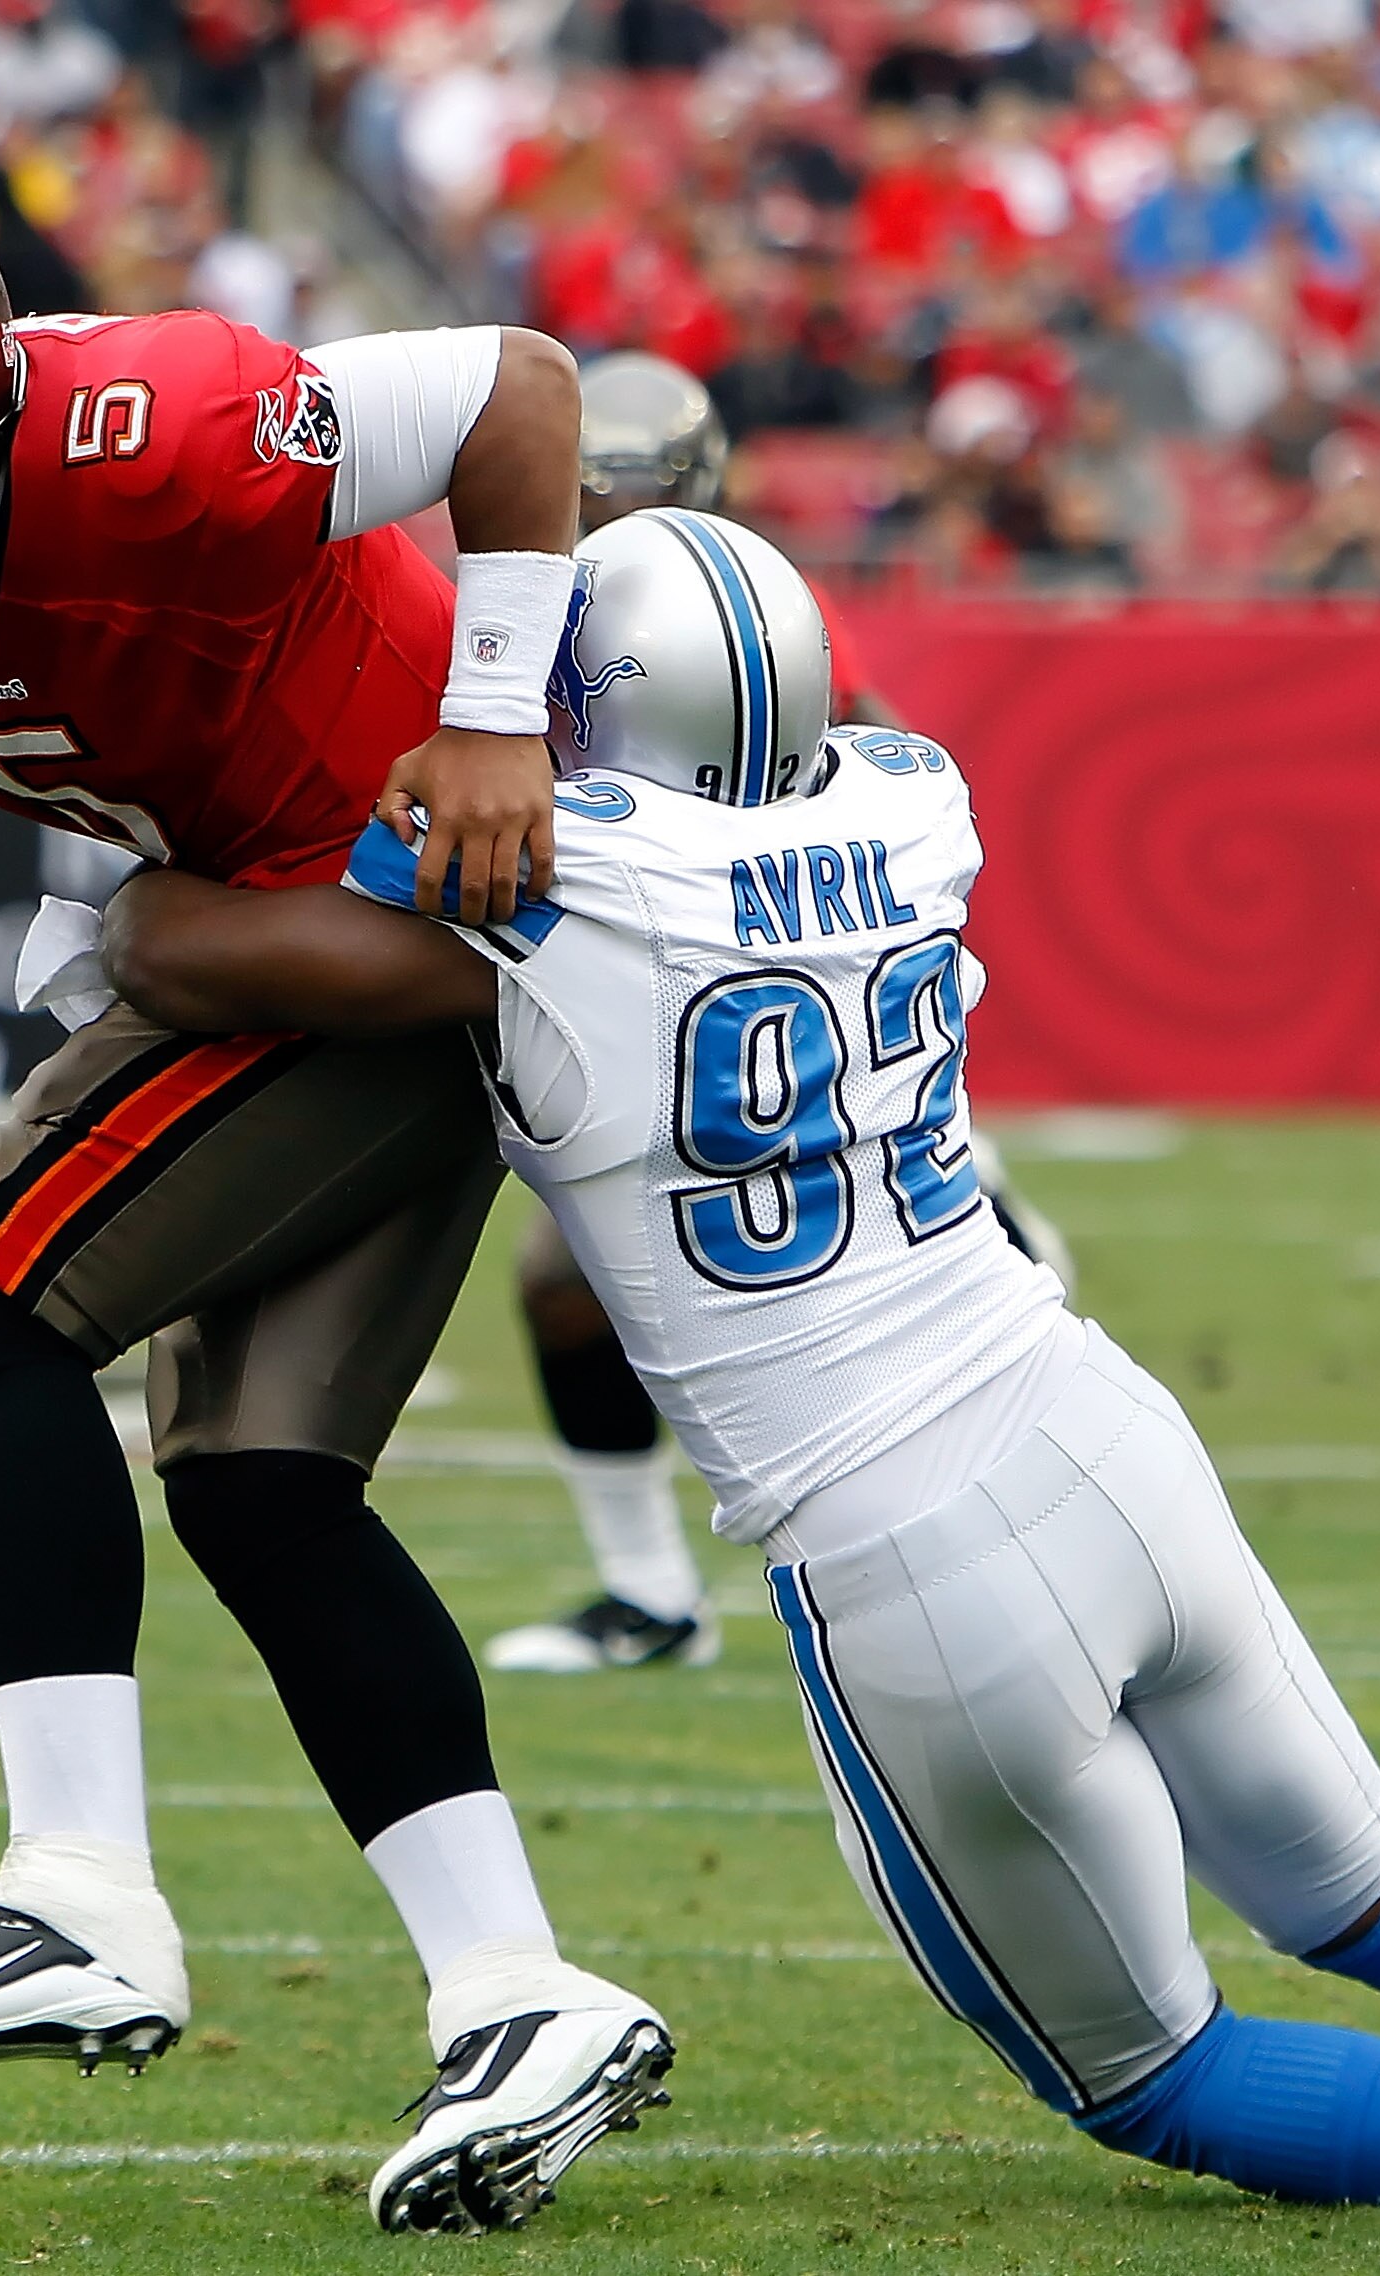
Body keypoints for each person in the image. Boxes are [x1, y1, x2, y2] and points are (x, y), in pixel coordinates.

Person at [96, 507, 1380, 2243]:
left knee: (1153, 2073)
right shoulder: (915, 798)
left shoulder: (564, 875)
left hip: (900, 1546)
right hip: (1091, 1425)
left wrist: (139, 870)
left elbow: (181, 949)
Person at [0, 170, 666, 2234]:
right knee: (263, 1483)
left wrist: (486, 715)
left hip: (391, 901)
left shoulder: (154, 432)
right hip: (318, 929)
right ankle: (519, 1988)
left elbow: (522, 393)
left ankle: (79, 1888)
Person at [486, 350, 1067, 1678]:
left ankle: (992, 1253)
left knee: (726, 1291)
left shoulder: (733, 606)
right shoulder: (518, 588)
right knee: (565, 1282)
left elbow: (859, 753)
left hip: (725, 958)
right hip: (623, 944)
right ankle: (651, 1591)